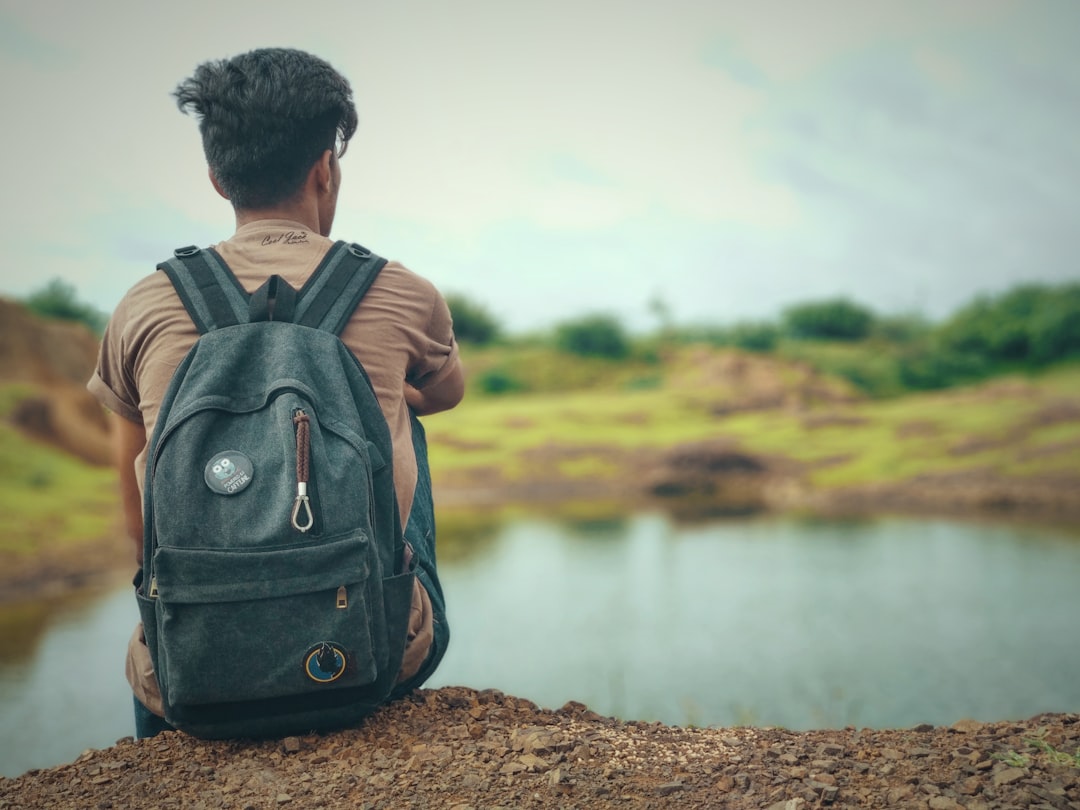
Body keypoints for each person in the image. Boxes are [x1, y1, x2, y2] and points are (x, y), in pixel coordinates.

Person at [87, 47, 465, 738]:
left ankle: (179, 691)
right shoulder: (403, 293)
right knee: (402, 423)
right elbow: (444, 395)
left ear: (215, 177)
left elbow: (134, 479)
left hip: (189, 672)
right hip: (374, 659)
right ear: (327, 166)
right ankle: (379, 614)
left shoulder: (142, 306)